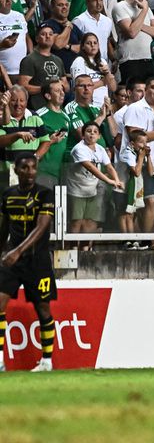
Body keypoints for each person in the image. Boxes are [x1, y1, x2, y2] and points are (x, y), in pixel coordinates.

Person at [0, 154, 58, 372]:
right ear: (16, 170)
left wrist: (17, 250)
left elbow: (42, 226)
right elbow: (3, 227)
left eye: (33, 168)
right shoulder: (8, 195)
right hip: (12, 262)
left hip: (37, 261)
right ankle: (0, 361)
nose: (30, 172)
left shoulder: (45, 194)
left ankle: (47, 361)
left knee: (42, 309)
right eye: (25, 168)